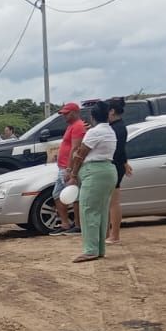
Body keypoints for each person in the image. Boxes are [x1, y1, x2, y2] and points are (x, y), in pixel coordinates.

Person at [63, 102, 117, 262]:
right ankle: (98, 249)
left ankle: (91, 249)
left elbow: (81, 154)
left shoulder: (94, 132)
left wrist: (72, 174)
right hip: (107, 171)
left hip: (94, 173)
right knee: (100, 211)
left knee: (88, 211)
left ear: (92, 117)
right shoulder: (110, 131)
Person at [52, 102, 87, 234]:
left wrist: (70, 169)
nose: (64, 116)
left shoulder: (78, 126)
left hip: (68, 167)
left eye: (66, 113)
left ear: (74, 112)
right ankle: (66, 223)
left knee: (74, 195)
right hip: (63, 166)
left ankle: (77, 224)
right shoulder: (71, 126)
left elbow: (75, 148)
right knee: (57, 194)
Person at [106, 97, 131, 245]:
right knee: (111, 201)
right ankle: (110, 233)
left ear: (112, 111)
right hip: (116, 165)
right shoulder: (117, 127)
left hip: (115, 166)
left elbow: (118, 150)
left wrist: (123, 162)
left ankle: (115, 235)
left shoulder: (118, 128)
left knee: (114, 202)